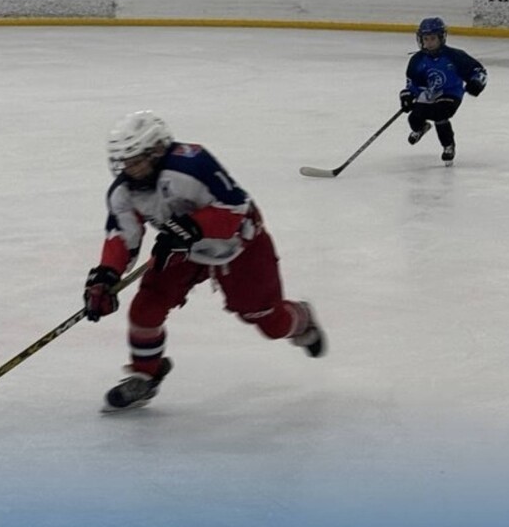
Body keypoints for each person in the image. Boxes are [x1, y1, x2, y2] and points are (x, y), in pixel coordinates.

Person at [82, 111, 326, 412]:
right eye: (124, 162)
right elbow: (122, 236)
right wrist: (106, 276)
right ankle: (145, 375)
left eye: (136, 161)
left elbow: (235, 208)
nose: (129, 170)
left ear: (157, 150)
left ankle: (302, 318)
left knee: (271, 324)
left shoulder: (192, 164)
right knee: (146, 307)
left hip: (238, 246)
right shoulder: (123, 193)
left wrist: (191, 228)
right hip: (185, 249)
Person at [400, 17, 487, 166]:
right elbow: (413, 82)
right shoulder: (417, 60)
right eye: (426, 39)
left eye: (433, 38)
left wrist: (476, 82)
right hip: (430, 93)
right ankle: (422, 128)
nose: (429, 43)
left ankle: (448, 145)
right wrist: (408, 95)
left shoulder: (455, 56)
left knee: (440, 113)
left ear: (441, 38)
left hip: (451, 93)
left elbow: (479, 71)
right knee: (414, 118)